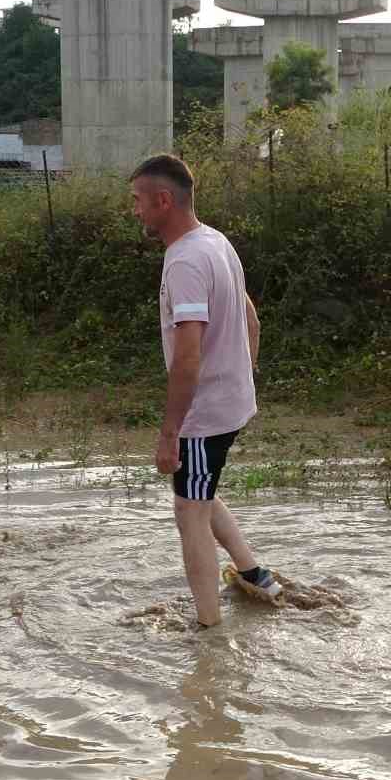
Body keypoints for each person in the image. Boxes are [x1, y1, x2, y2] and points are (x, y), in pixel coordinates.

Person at [129, 153, 282, 627]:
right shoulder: (215, 241)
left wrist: (170, 432)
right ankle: (256, 575)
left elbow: (189, 354)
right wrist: (243, 377)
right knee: (200, 486)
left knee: (188, 512)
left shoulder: (185, 261)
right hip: (230, 402)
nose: (134, 210)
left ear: (163, 200)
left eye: (137, 201)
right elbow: (250, 318)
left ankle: (208, 631)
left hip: (205, 412)